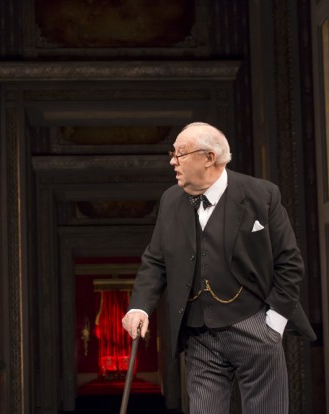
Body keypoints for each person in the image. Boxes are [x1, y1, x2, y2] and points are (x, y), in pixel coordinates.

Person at [121, 122, 315, 413]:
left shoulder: (261, 195)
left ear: (209, 158)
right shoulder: (171, 200)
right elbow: (156, 260)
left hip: (254, 325)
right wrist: (139, 307)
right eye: (172, 153)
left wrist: (273, 324)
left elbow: (289, 262)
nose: (172, 161)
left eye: (180, 154)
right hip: (200, 334)